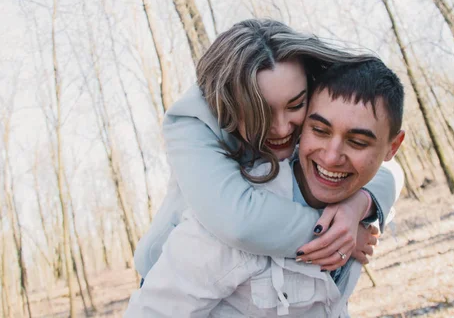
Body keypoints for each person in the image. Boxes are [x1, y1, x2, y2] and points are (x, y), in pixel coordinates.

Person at [124, 59, 405, 317]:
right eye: (319, 130)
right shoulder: (219, 225)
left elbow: (392, 174)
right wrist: (332, 234)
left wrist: (360, 205)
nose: (331, 156)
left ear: (391, 148)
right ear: (304, 129)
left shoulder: (358, 198)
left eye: (357, 142)